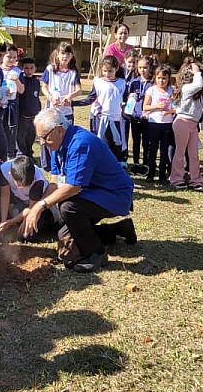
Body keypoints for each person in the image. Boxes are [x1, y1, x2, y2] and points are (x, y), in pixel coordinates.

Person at [24, 109, 137, 273]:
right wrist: (35, 208)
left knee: (68, 207)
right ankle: (120, 229)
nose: (42, 142)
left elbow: (73, 188)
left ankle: (96, 254)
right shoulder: (57, 145)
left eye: (44, 137)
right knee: (67, 234)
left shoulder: (81, 143)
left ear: (59, 130)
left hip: (114, 195)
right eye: (39, 138)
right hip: (93, 194)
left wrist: (40, 206)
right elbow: (54, 183)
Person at [0, 155, 62, 241]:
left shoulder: (38, 181)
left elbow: (31, 208)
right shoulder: (4, 170)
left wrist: (10, 222)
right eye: (19, 184)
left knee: (27, 235)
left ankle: (50, 225)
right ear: (10, 174)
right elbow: (5, 195)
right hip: (18, 199)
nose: (23, 187)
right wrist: (3, 221)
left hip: (37, 204)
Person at [75, 55, 127, 161]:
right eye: (104, 71)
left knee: (117, 144)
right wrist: (72, 103)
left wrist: (127, 103)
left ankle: (114, 165)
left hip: (116, 119)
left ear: (116, 69)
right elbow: (90, 99)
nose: (107, 74)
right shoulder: (98, 82)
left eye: (110, 71)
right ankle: (102, 165)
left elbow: (125, 100)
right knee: (102, 143)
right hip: (101, 119)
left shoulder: (122, 83)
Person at [170, 58, 203, 191]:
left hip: (193, 124)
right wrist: (196, 72)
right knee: (180, 153)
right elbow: (197, 85)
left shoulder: (197, 93)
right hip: (182, 122)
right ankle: (176, 178)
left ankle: (196, 180)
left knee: (194, 154)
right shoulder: (186, 88)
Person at [141, 65, 176, 184]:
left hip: (167, 124)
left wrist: (170, 111)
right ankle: (151, 173)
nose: (161, 81)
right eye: (159, 78)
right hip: (154, 124)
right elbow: (145, 106)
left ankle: (162, 174)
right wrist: (156, 106)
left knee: (164, 150)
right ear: (155, 77)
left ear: (168, 79)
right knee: (153, 149)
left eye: (164, 78)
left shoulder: (172, 90)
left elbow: (176, 107)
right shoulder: (151, 90)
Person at [125, 56, 154, 176]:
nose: (142, 70)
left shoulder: (153, 83)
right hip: (135, 117)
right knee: (136, 141)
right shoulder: (134, 82)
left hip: (147, 118)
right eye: (140, 67)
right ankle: (136, 163)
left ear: (150, 68)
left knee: (146, 142)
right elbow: (128, 97)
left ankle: (146, 164)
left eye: (145, 67)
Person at [41, 41, 81, 125]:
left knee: (66, 135)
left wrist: (70, 97)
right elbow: (44, 87)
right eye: (63, 53)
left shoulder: (73, 72)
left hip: (67, 111)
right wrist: (50, 98)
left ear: (72, 56)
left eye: (68, 54)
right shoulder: (50, 69)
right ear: (57, 54)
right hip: (51, 110)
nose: (65, 56)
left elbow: (79, 90)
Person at [16, 57, 43, 158]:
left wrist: (38, 110)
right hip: (23, 115)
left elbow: (36, 97)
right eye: (26, 68)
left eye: (31, 68)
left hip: (33, 115)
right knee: (20, 137)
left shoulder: (36, 82)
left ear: (35, 69)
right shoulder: (21, 81)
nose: (29, 71)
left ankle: (29, 154)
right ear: (22, 68)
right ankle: (21, 155)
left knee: (31, 136)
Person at [0, 45, 23, 157]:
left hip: (12, 105)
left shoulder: (18, 71)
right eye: (9, 57)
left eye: (14, 57)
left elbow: (22, 90)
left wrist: (16, 80)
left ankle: (10, 154)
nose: (12, 60)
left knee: (11, 130)